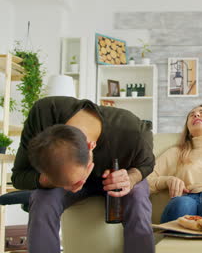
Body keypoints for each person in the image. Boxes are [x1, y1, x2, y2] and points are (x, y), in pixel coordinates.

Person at [12, 96, 155, 253]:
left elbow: (147, 164)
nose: (76, 186)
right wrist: (49, 181)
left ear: (90, 147)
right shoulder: (43, 115)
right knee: (42, 199)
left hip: (119, 177)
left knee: (137, 196)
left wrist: (131, 178)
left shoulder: (130, 129)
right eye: (68, 183)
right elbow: (19, 177)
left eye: (78, 179)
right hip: (53, 184)